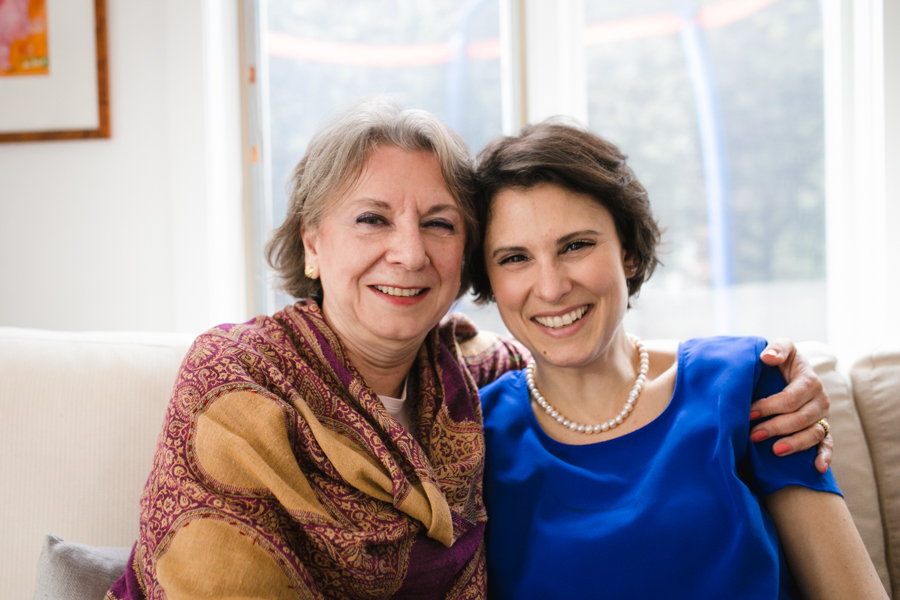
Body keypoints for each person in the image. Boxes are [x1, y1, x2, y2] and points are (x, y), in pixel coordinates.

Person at [106, 99, 831, 600]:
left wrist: (764, 375)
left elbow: (589, 361)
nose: (409, 253)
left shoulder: (471, 381)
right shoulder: (241, 380)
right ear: (312, 244)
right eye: (371, 219)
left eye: (439, 224)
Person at [472, 120, 885, 599]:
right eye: (514, 258)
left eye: (576, 245)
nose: (551, 287)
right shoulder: (474, 437)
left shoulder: (746, 381)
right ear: (489, 278)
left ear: (627, 251)